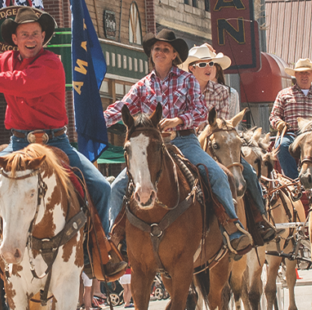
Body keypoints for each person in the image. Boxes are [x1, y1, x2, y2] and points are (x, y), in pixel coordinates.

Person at [0, 1, 124, 281]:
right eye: (25, 34)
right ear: (14, 39)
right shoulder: (5, 60)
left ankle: (98, 250)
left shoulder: (52, 63)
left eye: (35, 34)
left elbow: (20, 83)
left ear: (44, 37)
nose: (30, 39)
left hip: (56, 143)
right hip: (18, 144)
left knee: (101, 187)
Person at [104, 30, 252, 253]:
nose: (160, 52)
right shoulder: (142, 86)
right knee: (116, 187)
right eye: (157, 49)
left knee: (218, 174)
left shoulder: (187, 79)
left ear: (174, 55)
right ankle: (115, 238)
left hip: (185, 141)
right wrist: (95, 121)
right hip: (152, 148)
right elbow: (120, 107)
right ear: (151, 54)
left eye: (166, 49)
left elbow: (201, 112)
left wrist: (179, 120)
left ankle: (232, 226)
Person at [181, 43, 274, 242]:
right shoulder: (182, 93)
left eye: (211, 63)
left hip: (220, 145)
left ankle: (259, 218)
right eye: (202, 64)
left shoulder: (226, 93)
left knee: (247, 172)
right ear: (191, 68)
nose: (209, 68)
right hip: (189, 143)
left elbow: (225, 126)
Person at [269, 58, 312, 180]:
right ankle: (293, 180)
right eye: (300, 73)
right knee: (282, 145)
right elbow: (274, 116)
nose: (304, 76)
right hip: (292, 134)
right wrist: (279, 123)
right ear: (295, 75)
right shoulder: (284, 94)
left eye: (307, 73)